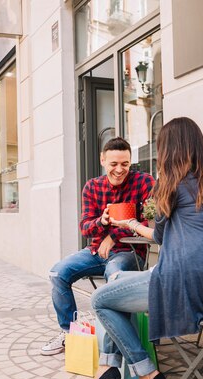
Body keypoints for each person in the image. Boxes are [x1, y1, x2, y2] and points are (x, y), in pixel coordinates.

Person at [82, 117, 203, 379]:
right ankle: (107, 367)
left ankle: (146, 372)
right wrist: (132, 225)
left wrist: (130, 225)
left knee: (101, 300)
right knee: (116, 282)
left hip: (183, 287)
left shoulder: (172, 184)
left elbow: (162, 236)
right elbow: (169, 235)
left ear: (170, 150)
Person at [40, 137, 155, 356]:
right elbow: (85, 228)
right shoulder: (92, 186)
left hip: (130, 253)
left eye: (125, 164)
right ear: (103, 160)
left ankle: (121, 344)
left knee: (114, 279)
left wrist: (113, 236)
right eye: (114, 164)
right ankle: (69, 333)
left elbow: (149, 224)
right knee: (57, 273)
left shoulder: (144, 182)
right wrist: (101, 222)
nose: (120, 170)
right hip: (95, 252)